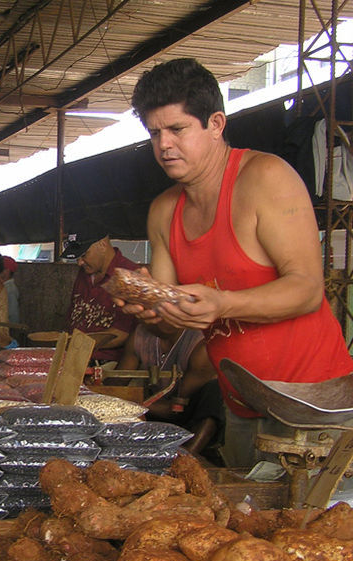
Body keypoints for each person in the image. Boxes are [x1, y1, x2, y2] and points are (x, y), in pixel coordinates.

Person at [121, 57, 353, 467]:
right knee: (250, 522)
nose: (164, 145)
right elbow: (173, 322)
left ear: (215, 124)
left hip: (314, 406)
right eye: (154, 132)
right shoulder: (163, 211)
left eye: (177, 129)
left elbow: (306, 289)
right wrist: (148, 309)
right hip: (241, 404)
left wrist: (222, 303)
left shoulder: (266, 178)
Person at [117, 324, 225, 457]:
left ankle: (187, 456)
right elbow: (116, 382)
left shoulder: (200, 345)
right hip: (156, 409)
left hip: (188, 415)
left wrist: (132, 404)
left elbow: (175, 411)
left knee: (214, 392)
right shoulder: (139, 336)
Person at [62, 226, 141, 364]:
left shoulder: (129, 275)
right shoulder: (84, 273)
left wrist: (75, 343)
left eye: (84, 255)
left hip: (107, 363)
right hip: (74, 357)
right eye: (77, 258)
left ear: (102, 245)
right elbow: (72, 314)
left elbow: (121, 334)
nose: (79, 262)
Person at [0, 255, 20, 325]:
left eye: (2, 268)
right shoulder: (3, 287)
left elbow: (13, 314)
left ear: (7, 271)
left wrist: (13, 329)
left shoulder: (10, 290)